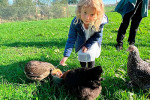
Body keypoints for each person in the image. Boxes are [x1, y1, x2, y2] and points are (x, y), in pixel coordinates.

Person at [59, 0, 108, 68]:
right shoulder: (76, 22)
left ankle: (90, 70)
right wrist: (66, 55)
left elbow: (97, 36)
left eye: (92, 14)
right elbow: (71, 38)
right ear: (80, 10)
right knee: (81, 54)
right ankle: (83, 69)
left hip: (93, 41)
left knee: (91, 55)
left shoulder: (99, 22)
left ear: (97, 15)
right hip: (81, 41)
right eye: (85, 12)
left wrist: (87, 45)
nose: (87, 18)